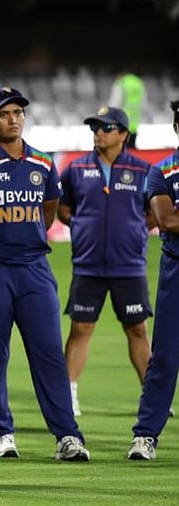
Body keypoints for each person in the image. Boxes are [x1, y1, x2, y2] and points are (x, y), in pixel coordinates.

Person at [0, 87, 89, 461]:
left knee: (47, 353)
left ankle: (67, 436)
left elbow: (48, 210)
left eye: (18, 113)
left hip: (33, 269)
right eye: (4, 113)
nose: (13, 119)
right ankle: (1, 433)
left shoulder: (43, 164)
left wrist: (23, 242)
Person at [58, 106, 153, 417]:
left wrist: (137, 228)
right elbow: (62, 207)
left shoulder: (143, 170)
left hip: (129, 265)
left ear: (123, 134)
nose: (98, 133)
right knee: (80, 328)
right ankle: (68, 396)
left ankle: (152, 398)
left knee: (137, 330)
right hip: (88, 265)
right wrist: (83, 226)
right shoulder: (75, 168)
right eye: (95, 127)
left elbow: (155, 209)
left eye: (106, 128)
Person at [127, 98, 179, 461]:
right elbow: (168, 221)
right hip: (177, 274)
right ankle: (145, 435)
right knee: (165, 357)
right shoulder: (162, 172)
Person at [107, 71, 145, 148]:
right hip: (135, 122)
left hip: (122, 123)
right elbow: (144, 102)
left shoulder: (121, 84)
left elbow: (115, 103)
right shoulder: (138, 83)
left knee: (122, 149)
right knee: (132, 147)